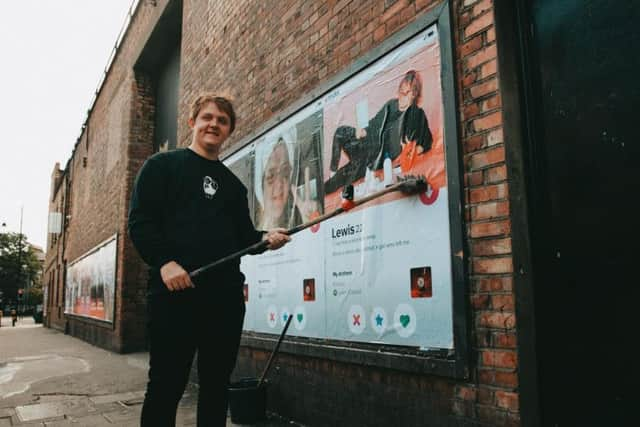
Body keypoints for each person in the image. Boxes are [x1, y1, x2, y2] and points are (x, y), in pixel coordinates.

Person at [128, 93, 290, 427]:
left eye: (222, 120)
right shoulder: (162, 167)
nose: (214, 124)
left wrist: (265, 240)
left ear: (229, 131)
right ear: (193, 122)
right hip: (174, 295)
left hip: (224, 300)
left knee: (216, 386)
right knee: (166, 386)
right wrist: (165, 263)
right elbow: (140, 223)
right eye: (208, 117)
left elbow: (245, 239)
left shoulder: (233, 186)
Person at [324, 69, 433, 194]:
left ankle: (326, 186)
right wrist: (363, 131)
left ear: (414, 94)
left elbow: (427, 140)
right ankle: (332, 171)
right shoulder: (391, 104)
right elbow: (375, 122)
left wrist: (416, 149)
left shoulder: (417, 114)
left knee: (337, 180)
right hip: (365, 143)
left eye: (405, 93)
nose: (401, 97)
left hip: (373, 158)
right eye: (400, 92)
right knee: (340, 131)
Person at [256, 138, 320, 229]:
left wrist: (311, 225)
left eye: (285, 173)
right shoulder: (252, 238)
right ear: (260, 187)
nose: (279, 185)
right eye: (271, 176)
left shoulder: (297, 223)